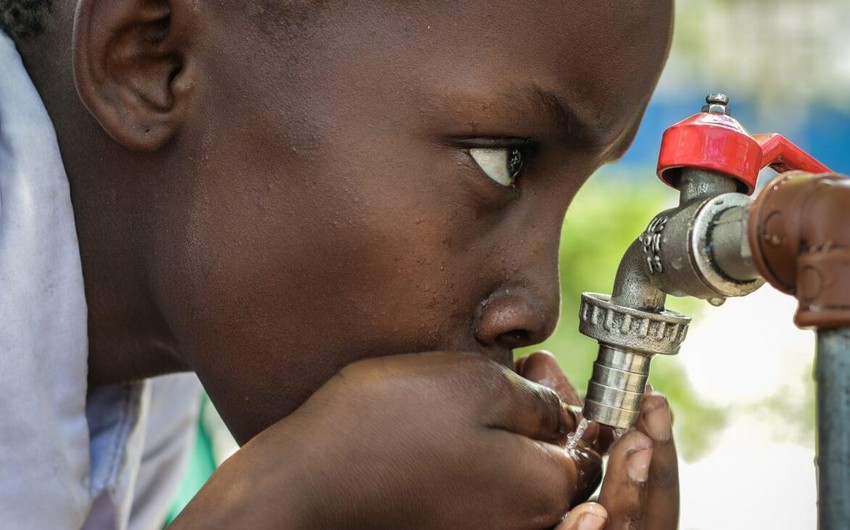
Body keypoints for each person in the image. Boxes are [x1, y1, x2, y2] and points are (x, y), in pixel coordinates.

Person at [0, 1, 678, 528]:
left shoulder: (138, 402)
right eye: (502, 160)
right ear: (152, 59)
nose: (536, 306)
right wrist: (276, 507)